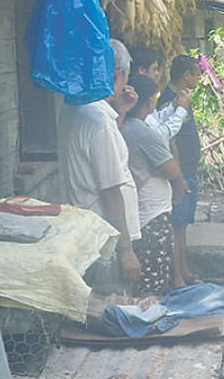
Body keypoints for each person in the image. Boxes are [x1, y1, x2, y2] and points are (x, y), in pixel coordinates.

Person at [58, 39, 141, 287]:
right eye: (126, 76)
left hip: (86, 233)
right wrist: (126, 250)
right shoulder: (99, 122)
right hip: (105, 243)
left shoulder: (76, 108)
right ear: (118, 73)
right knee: (111, 303)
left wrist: (120, 113)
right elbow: (111, 191)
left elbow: (101, 152)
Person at [121, 74, 187, 295]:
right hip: (153, 215)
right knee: (152, 287)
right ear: (149, 100)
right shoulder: (142, 131)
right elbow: (172, 170)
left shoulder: (127, 126)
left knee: (144, 284)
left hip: (143, 211)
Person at [158, 55, 202, 290]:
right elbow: (170, 141)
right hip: (180, 174)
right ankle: (176, 276)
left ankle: (184, 271)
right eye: (197, 74)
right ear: (187, 75)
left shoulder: (183, 97)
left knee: (182, 225)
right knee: (176, 226)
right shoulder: (170, 100)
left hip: (189, 171)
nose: (199, 78)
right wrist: (179, 178)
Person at [129, 45, 192, 143]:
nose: (157, 73)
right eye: (154, 69)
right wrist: (181, 111)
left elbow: (156, 119)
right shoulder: (138, 95)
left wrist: (173, 107)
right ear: (142, 70)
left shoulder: (146, 102)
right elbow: (160, 135)